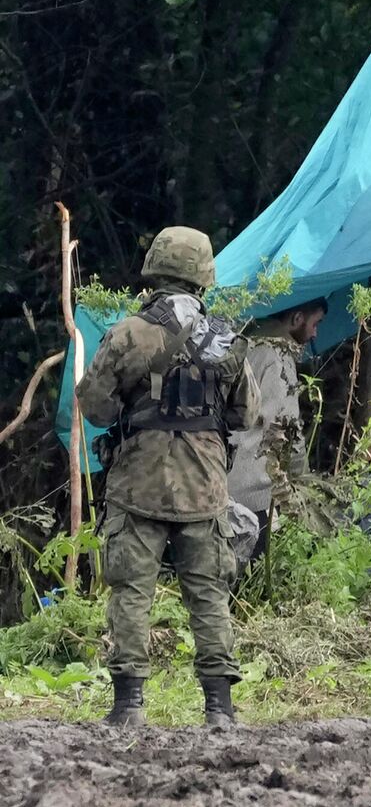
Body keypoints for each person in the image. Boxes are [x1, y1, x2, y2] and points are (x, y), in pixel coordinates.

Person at [75, 226, 257, 728]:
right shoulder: (226, 337)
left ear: (154, 269)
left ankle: (129, 706)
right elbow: (245, 415)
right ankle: (220, 710)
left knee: (131, 592)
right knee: (209, 594)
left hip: (138, 483)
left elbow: (94, 408)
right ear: (203, 278)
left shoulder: (129, 333)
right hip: (204, 486)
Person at [227, 296, 327, 564]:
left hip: (222, 477)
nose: (315, 332)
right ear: (297, 319)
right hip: (255, 487)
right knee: (253, 571)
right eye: (315, 323)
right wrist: (300, 479)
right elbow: (285, 426)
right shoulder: (278, 356)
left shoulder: (240, 344)